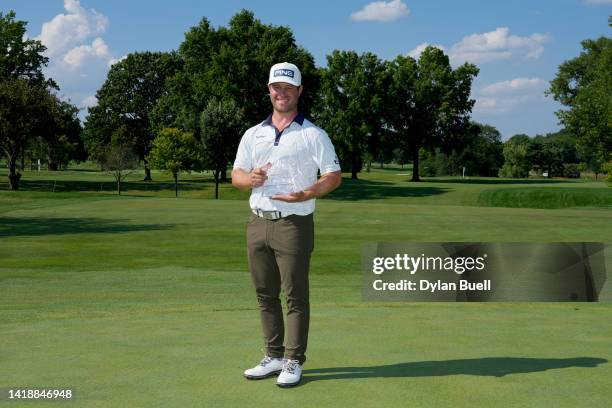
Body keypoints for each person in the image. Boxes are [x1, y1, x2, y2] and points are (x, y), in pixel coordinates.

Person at [231, 62, 342, 387]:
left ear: (299, 91)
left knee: (295, 296)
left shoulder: (313, 134)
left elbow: (333, 176)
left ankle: (293, 360)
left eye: (288, 87)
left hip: (294, 224)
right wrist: (249, 179)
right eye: (276, 87)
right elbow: (237, 175)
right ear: (269, 91)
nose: (282, 92)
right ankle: (273, 355)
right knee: (265, 295)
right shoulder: (253, 134)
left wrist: (308, 191)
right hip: (257, 222)